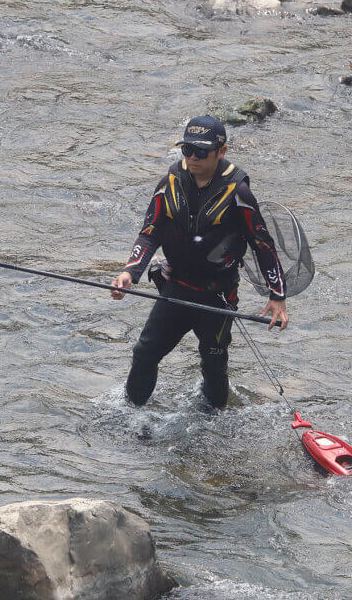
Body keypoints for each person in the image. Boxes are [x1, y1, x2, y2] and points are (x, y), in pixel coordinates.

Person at [110, 115, 288, 409]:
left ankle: (214, 424)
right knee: (145, 352)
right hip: (175, 289)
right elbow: (149, 232)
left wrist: (277, 296)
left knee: (214, 364)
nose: (192, 157)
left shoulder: (239, 191)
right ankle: (131, 412)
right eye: (187, 150)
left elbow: (262, 244)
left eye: (201, 152)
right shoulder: (170, 182)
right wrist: (130, 272)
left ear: (222, 151)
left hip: (217, 297)